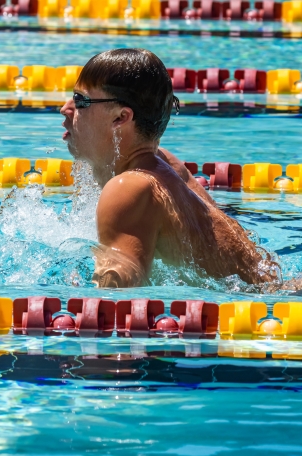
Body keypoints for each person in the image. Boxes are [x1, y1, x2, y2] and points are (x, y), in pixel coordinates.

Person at [60, 48, 279, 288]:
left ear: (120, 118)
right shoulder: (165, 165)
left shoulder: (130, 188)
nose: (66, 108)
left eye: (81, 101)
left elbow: (118, 295)